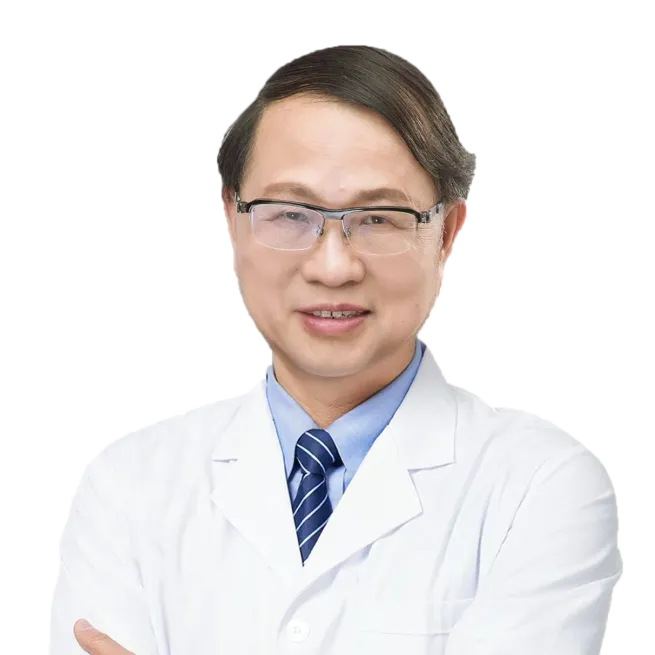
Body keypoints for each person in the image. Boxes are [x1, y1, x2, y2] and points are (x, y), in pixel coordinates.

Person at [51, 44, 622, 654]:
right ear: (232, 220)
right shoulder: (128, 485)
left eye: (379, 218)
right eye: (289, 214)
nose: (332, 267)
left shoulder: (542, 487)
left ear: (447, 233)